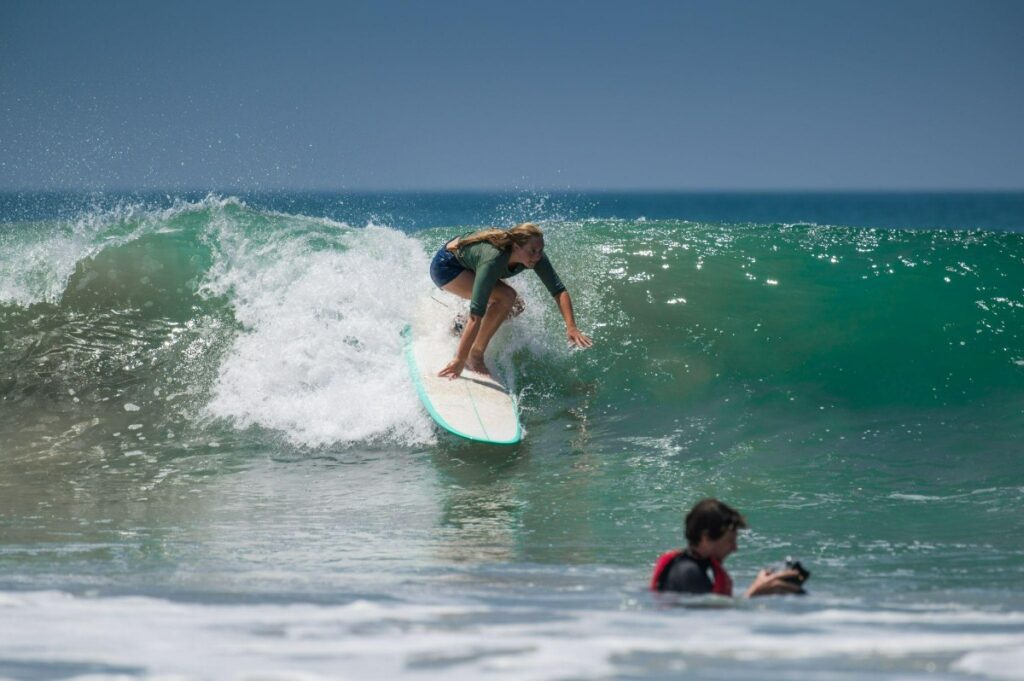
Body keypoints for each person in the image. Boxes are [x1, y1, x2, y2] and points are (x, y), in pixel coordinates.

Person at [428, 222, 592, 379]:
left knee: (516, 306)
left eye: (540, 250)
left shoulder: (535, 257)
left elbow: (559, 290)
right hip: (447, 267)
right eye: (533, 250)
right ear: (516, 247)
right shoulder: (493, 259)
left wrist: (571, 327)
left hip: (472, 262)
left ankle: (459, 325)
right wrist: (459, 360)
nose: (537, 255)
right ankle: (475, 355)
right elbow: (476, 315)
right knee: (506, 297)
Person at [650, 498, 804, 598]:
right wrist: (754, 592)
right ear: (706, 537)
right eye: (730, 540)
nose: (734, 548)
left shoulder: (692, 567)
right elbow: (710, 626)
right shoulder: (688, 572)